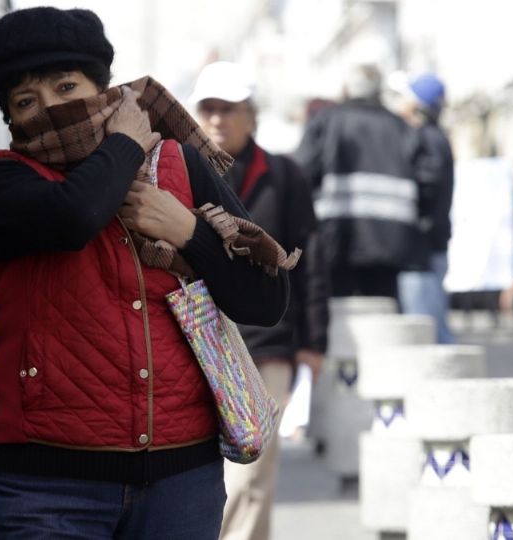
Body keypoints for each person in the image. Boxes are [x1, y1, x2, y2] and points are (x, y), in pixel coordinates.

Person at [0, 7, 292, 538]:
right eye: (27, 101)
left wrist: (189, 232)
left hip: (182, 479)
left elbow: (265, 299)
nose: (53, 108)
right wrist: (127, 142)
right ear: (11, 120)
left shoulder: (181, 167)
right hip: (50, 487)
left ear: (102, 88)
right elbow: (76, 215)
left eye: (67, 86)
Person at [190, 61, 328, 540]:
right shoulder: (178, 172)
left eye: (229, 109)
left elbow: (310, 264)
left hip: (269, 345)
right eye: (208, 109)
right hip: (197, 342)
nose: (217, 120)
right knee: (200, 474)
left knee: (251, 474)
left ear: (251, 116)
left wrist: (313, 343)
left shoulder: (285, 176)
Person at [294, 64, 430, 301]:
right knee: (384, 309)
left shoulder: (326, 121)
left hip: (336, 237)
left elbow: (302, 171)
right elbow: (428, 180)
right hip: (391, 239)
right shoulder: (401, 127)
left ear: (347, 88)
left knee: (339, 313)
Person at [392, 73, 455, 343]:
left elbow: (427, 188)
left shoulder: (427, 139)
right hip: (429, 246)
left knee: (428, 331)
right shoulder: (433, 138)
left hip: (424, 249)